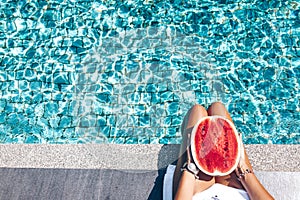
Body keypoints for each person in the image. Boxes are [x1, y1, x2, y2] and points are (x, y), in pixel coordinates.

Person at [172, 102, 274, 200]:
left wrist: (190, 170)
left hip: (196, 194)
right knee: (218, 108)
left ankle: (185, 141)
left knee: (197, 111)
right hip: (236, 193)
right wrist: (243, 171)